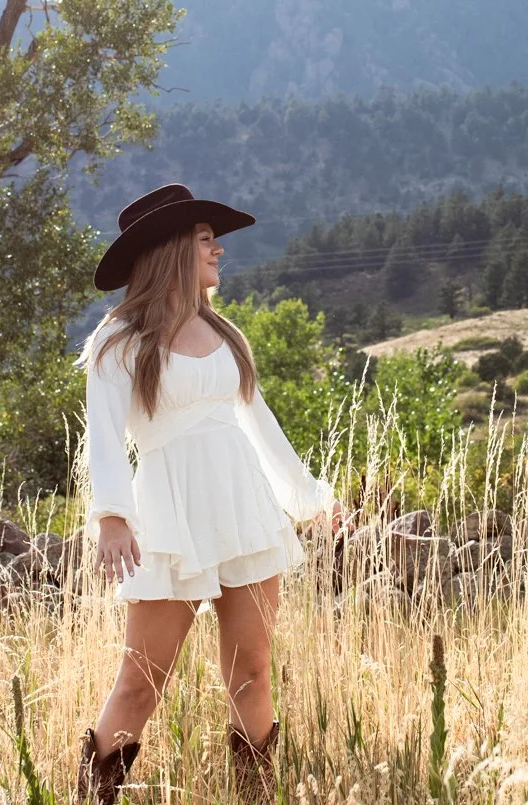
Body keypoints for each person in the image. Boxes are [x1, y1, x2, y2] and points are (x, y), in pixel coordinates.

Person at [74, 183, 341, 804]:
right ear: (171, 249)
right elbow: (103, 439)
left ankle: (254, 798)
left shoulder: (224, 332)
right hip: (170, 519)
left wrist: (311, 500)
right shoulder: (118, 342)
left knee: (252, 672)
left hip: (245, 512)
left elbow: (260, 423)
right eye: (204, 240)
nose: (219, 249)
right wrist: (112, 516)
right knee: (140, 684)